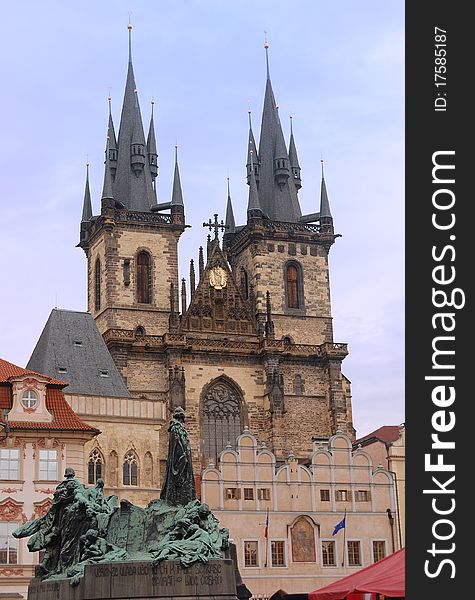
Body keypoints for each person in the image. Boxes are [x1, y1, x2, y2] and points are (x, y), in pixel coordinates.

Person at [160, 407, 196, 506]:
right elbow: (178, 444)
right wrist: (183, 456)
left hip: (184, 458)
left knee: (185, 482)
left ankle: (184, 502)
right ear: (181, 417)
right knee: (179, 481)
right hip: (180, 458)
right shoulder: (175, 428)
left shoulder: (179, 428)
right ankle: (177, 502)